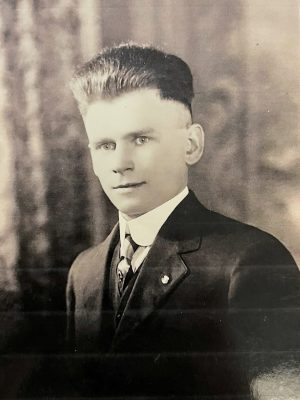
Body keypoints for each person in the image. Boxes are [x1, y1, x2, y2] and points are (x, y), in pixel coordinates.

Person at [66, 43, 300, 397]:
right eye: (105, 146)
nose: (120, 163)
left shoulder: (250, 261)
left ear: (191, 145)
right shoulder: (83, 273)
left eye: (140, 139)